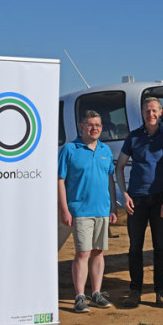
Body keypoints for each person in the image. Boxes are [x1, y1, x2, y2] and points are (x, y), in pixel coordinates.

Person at [116, 97, 163, 308]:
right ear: (142, 114)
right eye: (146, 111)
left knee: (161, 247)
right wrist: (124, 194)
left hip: (160, 198)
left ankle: (161, 291)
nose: (150, 114)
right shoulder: (133, 137)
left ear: (161, 113)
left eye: (154, 111)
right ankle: (135, 292)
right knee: (135, 248)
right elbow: (120, 166)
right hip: (137, 199)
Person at [58, 110, 118, 313]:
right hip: (80, 210)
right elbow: (60, 180)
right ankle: (79, 296)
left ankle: (96, 294)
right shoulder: (69, 149)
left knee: (98, 252)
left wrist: (113, 207)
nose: (95, 128)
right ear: (81, 127)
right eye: (90, 125)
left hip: (102, 210)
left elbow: (110, 179)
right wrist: (64, 209)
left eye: (98, 125)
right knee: (82, 253)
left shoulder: (106, 150)